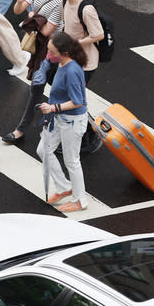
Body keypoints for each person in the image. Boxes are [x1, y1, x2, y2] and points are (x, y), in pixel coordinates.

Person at [2, 0, 68, 144]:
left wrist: (31, 15)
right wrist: (19, 1)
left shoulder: (60, 1)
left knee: (59, 93)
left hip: (54, 52)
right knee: (37, 90)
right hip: (40, 48)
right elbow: (17, 10)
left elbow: (47, 30)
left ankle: (82, 127)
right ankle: (21, 129)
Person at [37, 32, 89, 213]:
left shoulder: (73, 70)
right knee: (43, 149)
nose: (48, 54)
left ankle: (80, 200)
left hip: (71, 121)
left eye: (52, 52)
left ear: (64, 52)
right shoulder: (63, 63)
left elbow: (77, 101)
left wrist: (53, 108)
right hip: (61, 119)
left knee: (72, 161)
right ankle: (64, 187)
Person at [58, 0, 105, 154]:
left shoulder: (86, 9)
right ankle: (85, 132)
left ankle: (89, 135)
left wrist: (77, 44)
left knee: (74, 99)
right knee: (70, 97)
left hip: (84, 63)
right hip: (70, 59)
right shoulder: (66, 0)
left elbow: (98, 34)